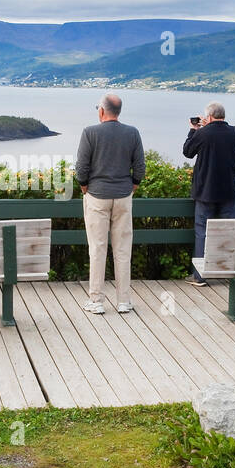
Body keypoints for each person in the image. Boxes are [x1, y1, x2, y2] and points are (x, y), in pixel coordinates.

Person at [75, 93, 145, 314]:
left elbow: (81, 168)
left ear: (102, 111)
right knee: (123, 249)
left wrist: (85, 188)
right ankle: (124, 300)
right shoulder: (132, 133)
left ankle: (96, 301)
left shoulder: (90, 132)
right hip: (123, 196)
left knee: (97, 248)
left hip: (97, 196)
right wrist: (131, 187)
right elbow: (140, 167)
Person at [182, 101, 235, 286]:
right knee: (231, 233)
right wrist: (207, 126)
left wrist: (194, 130)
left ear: (207, 117)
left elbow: (188, 152)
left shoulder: (202, 133)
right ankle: (232, 273)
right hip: (229, 192)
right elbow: (219, 136)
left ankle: (200, 276)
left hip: (206, 192)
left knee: (202, 233)